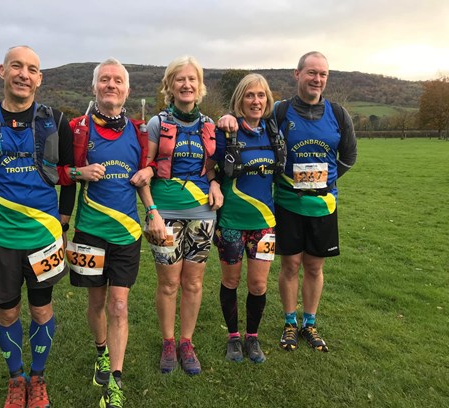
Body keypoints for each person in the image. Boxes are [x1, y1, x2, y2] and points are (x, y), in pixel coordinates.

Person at [0, 45, 76, 408]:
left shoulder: (55, 120)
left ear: (40, 78)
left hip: (43, 239)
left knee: (41, 310)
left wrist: (63, 228)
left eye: (32, 69)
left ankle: (37, 378)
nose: (24, 74)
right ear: (2, 71)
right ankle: (16, 378)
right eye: (17, 67)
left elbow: (68, 178)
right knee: (7, 312)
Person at [218, 51, 357, 352]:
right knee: (291, 264)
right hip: (287, 203)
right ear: (298, 74)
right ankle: (290, 323)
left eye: (322, 74)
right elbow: (249, 117)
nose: (317, 79)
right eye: (311, 73)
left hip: (323, 205)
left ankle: (310, 322)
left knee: (315, 267)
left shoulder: (338, 113)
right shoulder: (279, 113)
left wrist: (327, 182)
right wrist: (228, 116)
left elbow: (349, 157)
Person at [64, 58, 152, 408]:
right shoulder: (77, 129)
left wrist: (151, 204)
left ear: (127, 89)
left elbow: (146, 173)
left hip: (126, 233)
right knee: (97, 303)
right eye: (105, 80)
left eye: (117, 80)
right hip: (89, 232)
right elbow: (58, 172)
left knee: (119, 304)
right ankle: (100, 351)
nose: (111, 85)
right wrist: (79, 171)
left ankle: (115, 379)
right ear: (94, 87)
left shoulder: (139, 131)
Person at [135, 56, 223, 375]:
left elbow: (212, 168)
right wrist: (152, 212)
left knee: (194, 282)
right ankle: (168, 341)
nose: (186, 85)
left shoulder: (209, 126)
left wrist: (214, 182)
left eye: (192, 79)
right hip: (164, 215)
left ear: (199, 86)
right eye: (180, 79)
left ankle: (187, 341)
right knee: (169, 282)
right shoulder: (158, 123)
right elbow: (145, 170)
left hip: (202, 215)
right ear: (170, 86)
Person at [210, 73, 280, 363]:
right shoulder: (226, 131)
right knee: (230, 282)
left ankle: (252, 337)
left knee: (259, 285)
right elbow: (209, 165)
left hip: (264, 224)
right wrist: (214, 182)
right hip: (231, 223)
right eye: (250, 95)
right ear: (240, 99)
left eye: (261, 95)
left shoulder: (274, 132)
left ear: (267, 100)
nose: (256, 101)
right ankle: (233, 338)